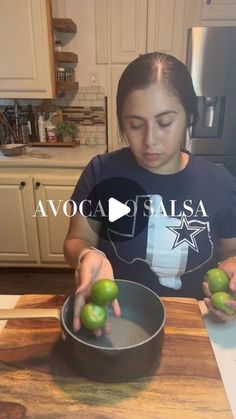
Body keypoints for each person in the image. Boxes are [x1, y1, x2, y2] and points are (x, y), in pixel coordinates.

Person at [64, 52, 236, 333]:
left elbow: (231, 254)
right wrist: (86, 255)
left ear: (189, 117)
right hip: (117, 320)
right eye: (135, 125)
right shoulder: (102, 173)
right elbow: (76, 239)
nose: (150, 140)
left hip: (194, 325)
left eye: (165, 123)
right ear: (121, 123)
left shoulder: (220, 183)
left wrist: (231, 280)